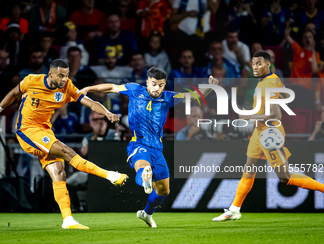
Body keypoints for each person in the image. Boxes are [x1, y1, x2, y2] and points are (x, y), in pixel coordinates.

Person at [0, 59, 128, 229]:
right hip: (27, 130)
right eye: (60, 75)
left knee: (59, 173)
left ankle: (68, 220)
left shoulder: (67, 86)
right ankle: (110, 176)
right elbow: (13, 93)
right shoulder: (32, 80)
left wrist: (107, 112)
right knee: (66, 152)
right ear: (50, 73)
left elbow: (89, 102)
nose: (63, 79)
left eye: (66, 76)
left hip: (45, 131)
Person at [81, 66, 216, 227]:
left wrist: (211, 87)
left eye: (161, 85)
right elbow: (111, 87)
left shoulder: (168, 97)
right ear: (147, 82)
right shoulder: (134, 90)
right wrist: (89, 88)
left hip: (157, 150)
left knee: (164, 191)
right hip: (138, 144)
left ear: (164, 85)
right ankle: (145, 176)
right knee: (143, 167)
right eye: (154, 84)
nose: (157, 88)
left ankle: (146, 213)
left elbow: (193, 96)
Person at [213, 51, 324, 222]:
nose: (255, 67)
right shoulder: (267, 80)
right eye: (253, 63)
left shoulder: (268, 84)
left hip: (270, 133)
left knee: (284, 177)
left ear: (268, 64)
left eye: (259, 63)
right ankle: (234, 209)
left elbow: (276, 114)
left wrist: (248, 116)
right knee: (249, 167)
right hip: (259, 131)